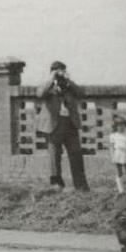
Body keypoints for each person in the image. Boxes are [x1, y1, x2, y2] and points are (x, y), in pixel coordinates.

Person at [41, 60, 89, 191]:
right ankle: (56, 185)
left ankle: (81, 186)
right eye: (57, 71)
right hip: (53, 125)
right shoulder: (48, 85)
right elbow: (40, 93)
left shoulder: (69, 85)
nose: (60, 73)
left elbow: (81, 93)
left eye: (62, 70)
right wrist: (51, 78)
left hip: (70, 123)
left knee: (76, 154)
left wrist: (68, 81)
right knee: (54, 156)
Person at [108, 114, 126, 193]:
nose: (121, 127)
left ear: (125, 125)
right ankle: (121, 189)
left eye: (123, 125)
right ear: (115, 126)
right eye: (119, 126)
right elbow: (111, 147)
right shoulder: (113, 136)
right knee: (119, 172)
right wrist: (112, 156)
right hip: (118, 154)